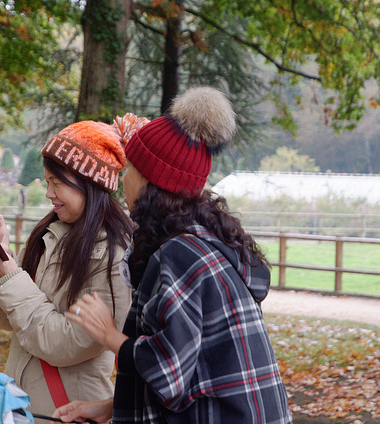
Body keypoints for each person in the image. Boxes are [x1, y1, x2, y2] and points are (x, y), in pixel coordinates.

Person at [55, 87, 293, 423]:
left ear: (152, 182)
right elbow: (194, 367)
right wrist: (107, 409)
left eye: (130, 169)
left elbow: (169, 372)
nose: (123, 181)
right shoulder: (200, 242)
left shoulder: (181, 255)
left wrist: (109, 334)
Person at [0, 120, 140, 422]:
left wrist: (10, 274)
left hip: (70, 414)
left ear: (90, 183)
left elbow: (67, 344)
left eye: (57, 182)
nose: (49, 193)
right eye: (47, 181)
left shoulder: (115, 252)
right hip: (19, 408)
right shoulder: (48, 234)